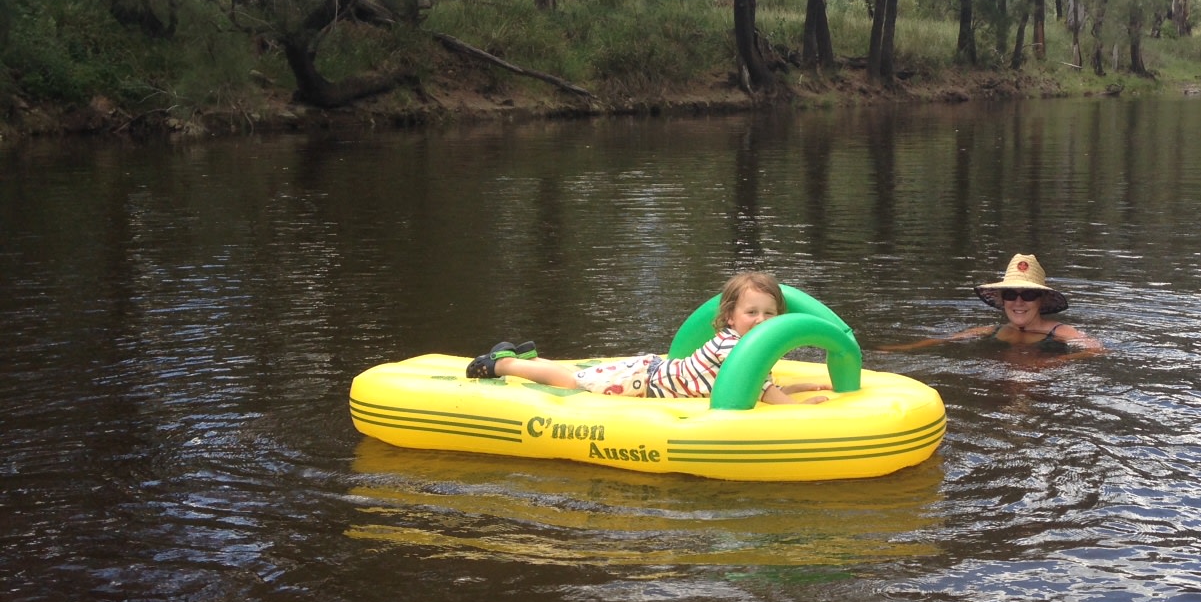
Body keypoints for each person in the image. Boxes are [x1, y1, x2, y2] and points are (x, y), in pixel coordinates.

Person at [466, 270, 831, 404]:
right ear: (730, 317)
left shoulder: (749, 345)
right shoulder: (732, 344)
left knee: (578, 375)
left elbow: (759, 385)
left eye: (769, 314)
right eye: (751, 313)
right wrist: (798, 405)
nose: (761, 320)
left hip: (652, 370)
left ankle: (525, 358)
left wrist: (802, 387)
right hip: (643, 383)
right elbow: (766, 393)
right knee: (572, 381)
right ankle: (501, 364)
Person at [881, 253, 1105, 358]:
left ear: (1041, 299)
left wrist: (1050, 365)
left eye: (1028, 294)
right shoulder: (993, 330)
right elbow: (946, 339)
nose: (1018, 302)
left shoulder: (1060, 332)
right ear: (1002, 300)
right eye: (1010, 294)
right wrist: (904, 349)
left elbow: (1096, 349)